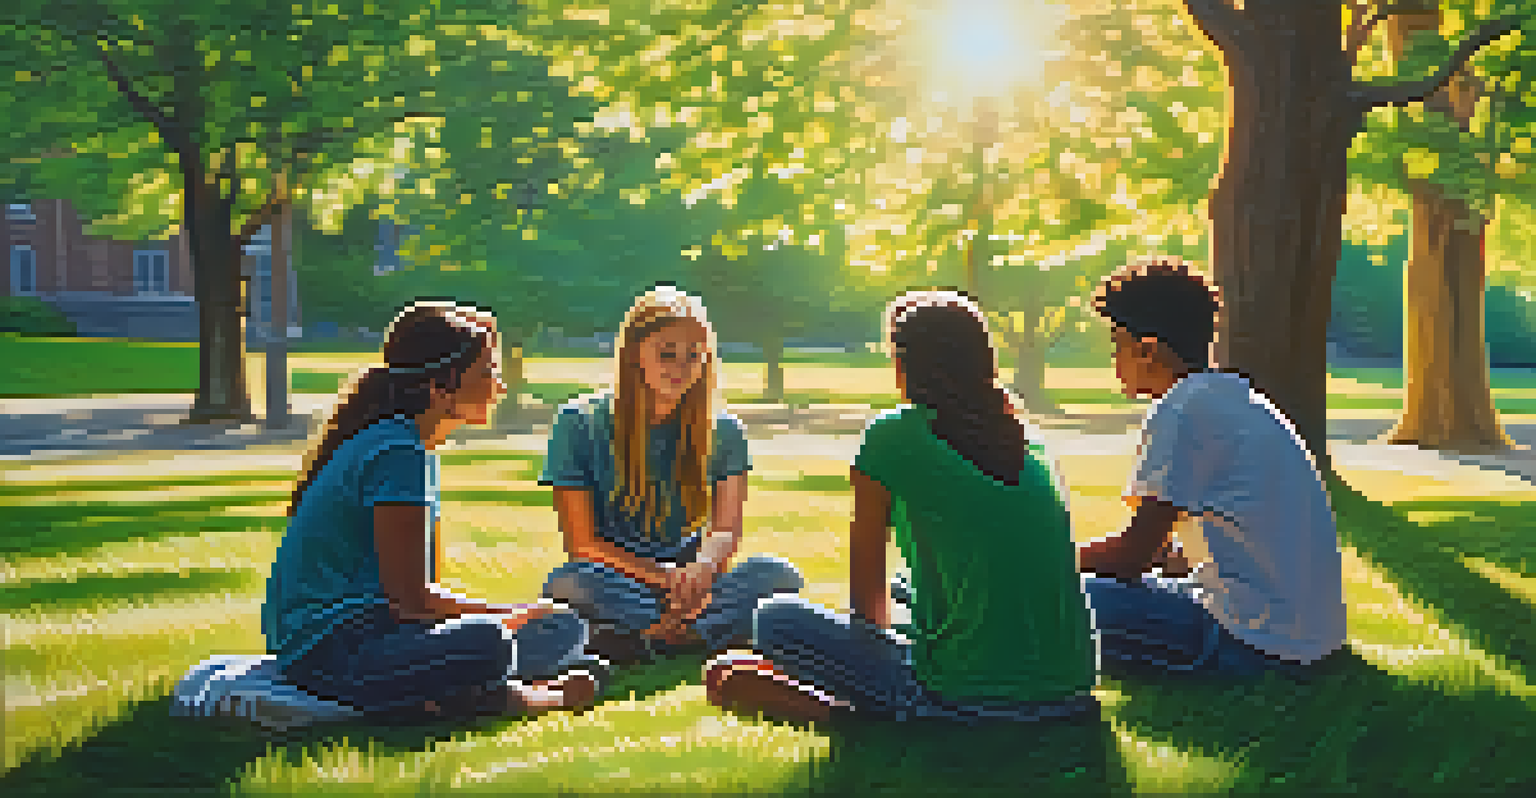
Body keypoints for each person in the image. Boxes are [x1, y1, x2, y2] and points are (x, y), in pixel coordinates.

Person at [705, 290, 1099, 725]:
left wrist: (852, 661)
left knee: (776, 618)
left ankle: (855, 714)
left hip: (967, 695)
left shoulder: (893, 437)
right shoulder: (1029, 439)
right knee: (907, 586)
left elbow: (866, 602)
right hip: (1072, 691)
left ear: (904, 365)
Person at [263, 300, 600, 723]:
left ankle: (457, 692)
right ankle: (524, 697)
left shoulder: (411, 446)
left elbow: (410, 604)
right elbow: (411, 601)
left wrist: (522, 618)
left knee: (563, 627)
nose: (500, 387)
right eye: (487, 373)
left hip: (381, 633)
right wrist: (510, 617)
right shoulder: (397, 452)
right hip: (333, 650)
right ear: (441, 388)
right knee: (488, 641)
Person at [1076, 257, 1347, 679]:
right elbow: (1170, 552)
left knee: (1049, 594)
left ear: (1147, 350)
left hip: (1252, 642)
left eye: (1117, 344)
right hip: (1306, 638)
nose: (1114, 359)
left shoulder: (1183, 410)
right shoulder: (1236, 398)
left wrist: (1043, 559)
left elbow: (1132, 556)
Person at [539, 285, 804, 663]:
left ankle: (657, 634)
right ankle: (699, 632)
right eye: (667, 354)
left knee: (778, 575)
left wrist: (701, 571)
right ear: (634, 355)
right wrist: (666, 579)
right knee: (572, 582)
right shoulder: (578, 422)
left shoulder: (724, 430)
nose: (680, 368)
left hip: (692, 582)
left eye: (693, 357)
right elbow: (582, 544)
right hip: (618, 577)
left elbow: (726, 529)